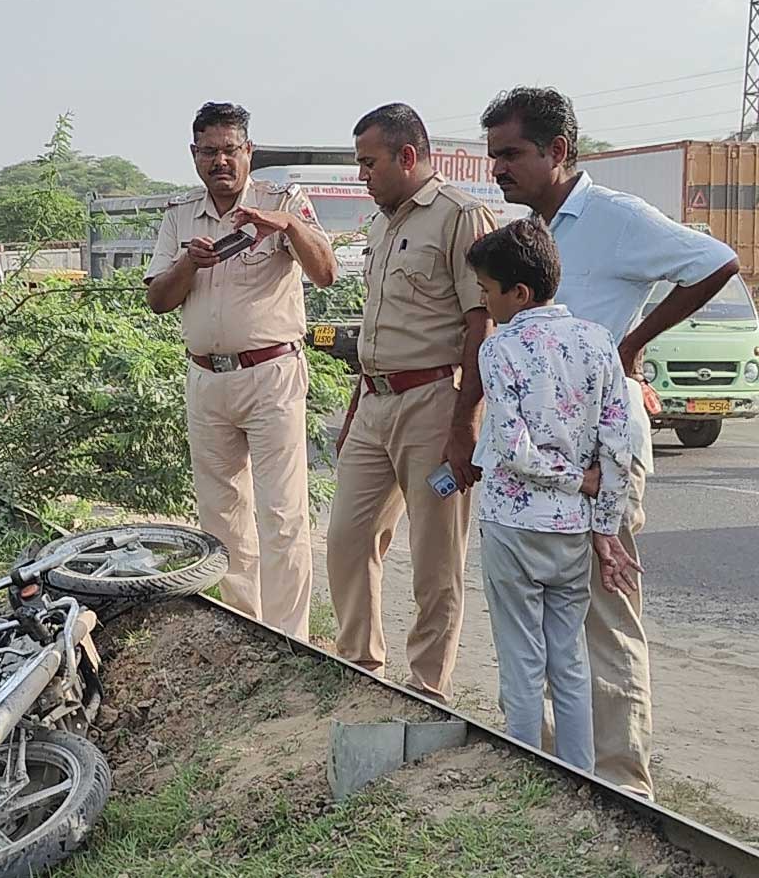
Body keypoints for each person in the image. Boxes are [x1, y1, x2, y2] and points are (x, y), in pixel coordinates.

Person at [481, 86, 740, 796]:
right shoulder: (527, 233)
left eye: (511, 153)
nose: (498, 168)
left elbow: (717, 261)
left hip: (599, 448)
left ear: (558, 151)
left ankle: (621, 789)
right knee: (535, 621)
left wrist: (627, 346)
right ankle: (548, 773)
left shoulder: (617, 218)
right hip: (535, 463)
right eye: (493, 154)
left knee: (603, 611)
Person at [144, 101, 338, 640]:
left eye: (231, 149)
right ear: (194, 155)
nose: (221, 161)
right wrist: (189, 262)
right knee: (221, 514)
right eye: (209, 151)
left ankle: (288, 637)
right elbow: (159, 300)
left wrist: (286, 226)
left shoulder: (284, 201)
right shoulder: (179, 217)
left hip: (272, 374)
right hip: (206, 378)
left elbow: (325, 272)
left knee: (282, 513)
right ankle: (244, 629)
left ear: (249, 151)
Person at [327, 103, 496, 703]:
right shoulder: (382, 223)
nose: (362, 177)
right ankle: (359, 665)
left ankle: (427, 684)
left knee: (435, 556)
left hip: (433, 401)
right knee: (347, 537)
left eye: (369, 164)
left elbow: (482, 325)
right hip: (373, 402)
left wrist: (465, 424)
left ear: (406, 156)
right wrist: (354, 407)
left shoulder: (460, 217)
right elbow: (378, 328)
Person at [467, 216, 641, 770]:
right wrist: (605, 526)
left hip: (513, 527)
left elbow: (512, 448)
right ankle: (579, 775)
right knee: (568, 659)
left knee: (521, 659)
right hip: (571, 530)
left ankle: (525, 775)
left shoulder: (499, 350)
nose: (484, 302)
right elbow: (619, 444)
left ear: (517, 293)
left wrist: (570, 477)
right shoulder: (598, 342)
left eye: (487, 291)